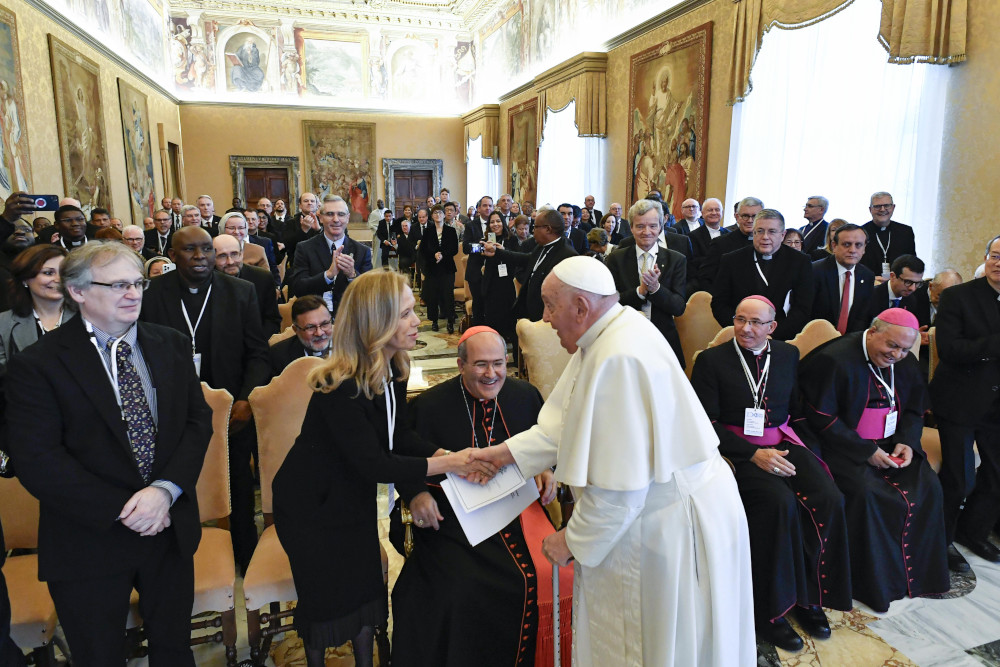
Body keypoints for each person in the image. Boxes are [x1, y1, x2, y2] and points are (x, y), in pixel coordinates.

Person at [470, 256, 754, 666]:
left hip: (667, 522)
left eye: (550, 306)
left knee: (649, 644)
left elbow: (621, 490)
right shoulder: (611, 332)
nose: (545, 319)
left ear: (581, 307)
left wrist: (570, 540)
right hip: (660, 510)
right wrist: (502, 455)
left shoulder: (618, 356)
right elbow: (562, 422)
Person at [272, 270, 496, 667]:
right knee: (325, 601)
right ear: (377, 322)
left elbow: (400, 436)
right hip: (312, 509)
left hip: (349, 500)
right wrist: (450, 462)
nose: (417, 321)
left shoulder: (393, 368)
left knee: (365, 589)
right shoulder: (340, 385)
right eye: (406, 314)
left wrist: (454, 456)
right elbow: (374, 463)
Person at [7, 241, 213, 665]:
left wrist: (165, 491)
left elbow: (197, 423)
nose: (133, 293)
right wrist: (127, 508)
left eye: (137, 283)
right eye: (118, 284)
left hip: (167, 528)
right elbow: (39, 460)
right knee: (98, 656)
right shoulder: (38, 364)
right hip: (88, 539)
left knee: (174, 650)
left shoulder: (169, 344)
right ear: (78, 292)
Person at [391, 327, 571, 667]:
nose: (492, 374)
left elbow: (546, 444)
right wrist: (415, 495)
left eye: (499, 364)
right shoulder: (429, 406)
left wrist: (546, 467)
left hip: (520, 511)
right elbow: (403, 459)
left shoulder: (525, 395)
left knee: (557, 574)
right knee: (457, 589)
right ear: (460, 365)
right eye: (481, 365)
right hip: (455, 519)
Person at [691, 295, 851, 651]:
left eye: (755, 323)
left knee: (829, 497)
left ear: (772, 327)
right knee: (779, 504)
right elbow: (704, 424)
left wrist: (807, 452)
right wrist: (752, 454)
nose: (746, 329)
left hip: (782, 439)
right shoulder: (711, 361)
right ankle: (771, 611)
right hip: (736, 450)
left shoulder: (787, 355)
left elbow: (793, 410)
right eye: (740, 320)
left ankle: (811, 597)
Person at [799, 309, 949, 612]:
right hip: (842, 446)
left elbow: (914, 408)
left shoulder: (904, 361)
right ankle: (877, 583)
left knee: (929, 485)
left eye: (906, 349)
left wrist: (907, 440)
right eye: (891, 345)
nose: (897, 354)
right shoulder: (835, 358)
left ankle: (921, 576)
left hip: (891, 443)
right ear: (874, 331)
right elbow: (821, 417)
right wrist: (865, 451)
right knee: (867, 493)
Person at [141, 226, 270, 572]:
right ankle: (179, 558)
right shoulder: (152, 295)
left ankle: (244, 551)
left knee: (238, 484)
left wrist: (245, 401)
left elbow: (257, 354)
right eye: (189, 251)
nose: (200, 257)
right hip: (171, 412)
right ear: (172, 255)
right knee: (174, 481)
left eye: (206, 250)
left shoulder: (241, 291)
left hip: (231, 411)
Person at [930, 236, 1000, 571]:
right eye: (995, 256)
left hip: (997, 404)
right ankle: (939, 542)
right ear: (986, 258)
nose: (998, 263)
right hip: (959, 400)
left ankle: (974, 531)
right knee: (960, 479)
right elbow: (951, 349)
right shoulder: (959, 297)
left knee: (997, 474)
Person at [604, 199, 686, 366]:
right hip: (624, 339)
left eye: (653, 226)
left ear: (660, 227)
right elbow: (608, 303)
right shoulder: (616, 259)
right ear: (631, 228)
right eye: (640, 226)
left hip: (663, 341)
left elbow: (678, 307)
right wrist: (640, 292)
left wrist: (656, 289)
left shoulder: (676, 259)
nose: (646, 232)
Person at [711, 208, 815, 340]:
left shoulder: (800, 262)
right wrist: (743, 329)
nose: (765, 237)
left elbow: (803, 308)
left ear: (783, 235)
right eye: (760, 231)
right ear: (753, 233)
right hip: (741, 336)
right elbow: (719, 304)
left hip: (781, 338)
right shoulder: (731, 260)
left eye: (772, 231)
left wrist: (771, 334)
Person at [482, 207, 577, 322]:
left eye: (535, 227)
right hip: (531, 311)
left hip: (547, 317)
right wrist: (497, 252)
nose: (532, 231)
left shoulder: (566, 254)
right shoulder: (541, 246)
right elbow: (525, 259)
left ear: (548, 229)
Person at [289, 195, 372, 313]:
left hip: (350, 318)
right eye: (329, 214)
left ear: (347, 218)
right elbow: (298, 288)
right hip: (316, 319)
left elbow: (370, 292)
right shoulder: (304, 248)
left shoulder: (362, 251)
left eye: (341, 214)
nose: (336, 219)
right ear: (321, 218)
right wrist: (327, 275)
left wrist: (352, 275)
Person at [0, 245, 71, 375]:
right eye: (48, 273)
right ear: (25, 278)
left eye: (64, 272)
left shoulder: (89, 318)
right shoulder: (3, 324)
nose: (58, 279)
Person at [811, 223, 876, 334]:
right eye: (847, 244)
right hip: (817, 339)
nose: (852, 250)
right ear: (834, 246)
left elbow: (863, 316)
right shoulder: (814, 271)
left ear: (864, 248)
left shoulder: (867, 275)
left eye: (858, 245)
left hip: (850, 343)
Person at [213, 234, 281, 338]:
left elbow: (272, 320)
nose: (230, 261)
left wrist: (257, 343)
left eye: (234, 254)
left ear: (242, 254)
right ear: (213, 258)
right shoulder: (206, 280)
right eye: (222, 256)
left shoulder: (263, 278)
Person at [698, 196, 761, 288]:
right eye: (745, 216)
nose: (750, 220)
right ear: (737, 217)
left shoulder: (767, 244)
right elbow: (706, 277)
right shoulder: (720, 243)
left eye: (755, 216)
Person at [418, 204, 458, 333]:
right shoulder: (428, 231)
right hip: (432, 267)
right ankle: (434, 321)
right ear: (432, 216)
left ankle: (450, 321)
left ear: (444, 214)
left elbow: (454, 249)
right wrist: (434, 254)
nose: (438, 215)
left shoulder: (451, 231)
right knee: (433, 295)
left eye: (440, 213)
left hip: (447, 267)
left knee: (448, 295)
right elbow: (423, 250)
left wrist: (443, 255)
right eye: (435, 213)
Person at [268, 295, 332, 375]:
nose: (319, 333)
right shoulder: (278, 356)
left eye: (324, 324)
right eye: (310, 327)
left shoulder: (349, 346)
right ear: (296, 330)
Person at [859, 192, 917, 278]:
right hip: (869, 282)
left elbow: (912, 262)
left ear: (893, 207)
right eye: (877, 206)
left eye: (886, 206)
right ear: (870, 209)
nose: (882, 209)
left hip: (899, 284)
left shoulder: (905, 232)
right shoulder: (861, 233)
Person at [481, 211, 517, 340]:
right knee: (491, 313)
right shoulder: (487, 239)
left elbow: (516, 259)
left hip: (506, 281)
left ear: (503, 222)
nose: (495, 224)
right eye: (492, 222)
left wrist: (503, 251)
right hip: (491, 281)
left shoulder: (511, 238)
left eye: (498, 221)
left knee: (507, 312)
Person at [868, 254, 928, 324]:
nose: (913, 288)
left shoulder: (912, 300)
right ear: (892, 276)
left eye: (917, 283)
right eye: (908, 282)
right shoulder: (870, 296)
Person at [463, 196, 493, 325]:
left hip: (492, 271)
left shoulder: (496, 223)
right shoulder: (471, 225)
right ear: (479, 208)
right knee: (478, 303)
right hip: (475, 271)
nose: (488, 208)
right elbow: (466, 247)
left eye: (490, 206)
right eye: (485, 205)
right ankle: (478, 332)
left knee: (491, 303)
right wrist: (481, 247)